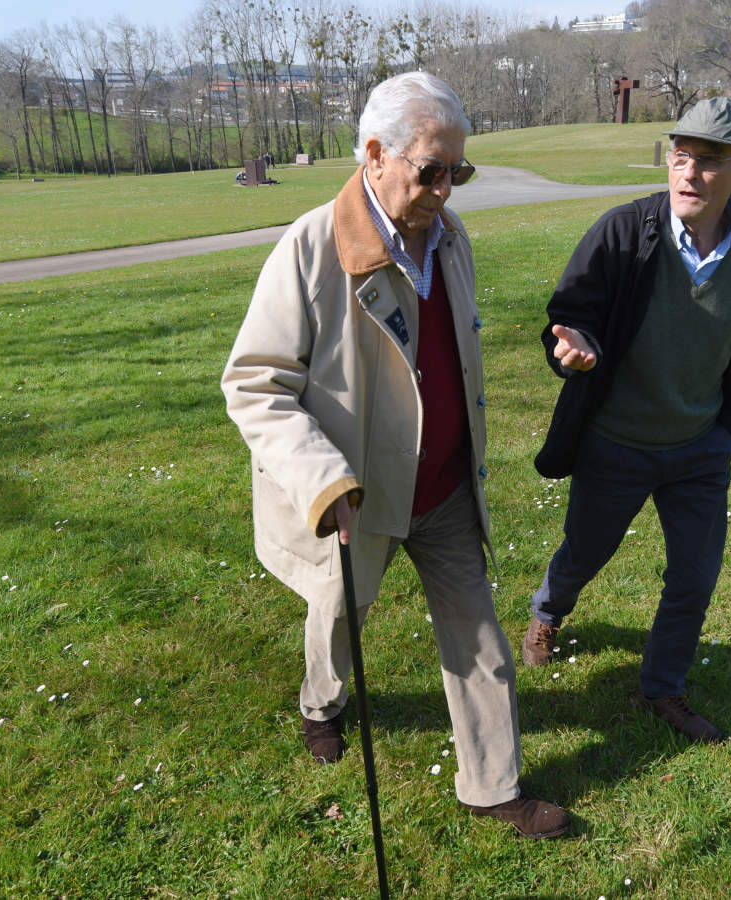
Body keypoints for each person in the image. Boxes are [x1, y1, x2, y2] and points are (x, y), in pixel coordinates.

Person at [221, 71, 570, 839]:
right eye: (432, 170)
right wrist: (321, 480)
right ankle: (322, 704)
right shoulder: (312, 247)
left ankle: (492, 786)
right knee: (340, 618)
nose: (448, 188)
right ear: (375, 155)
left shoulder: (452, 238)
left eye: (460, 172)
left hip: (441, 488)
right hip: (358, 496)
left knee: (481, 637)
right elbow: (254, 383)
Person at [521, 97, 731, 744]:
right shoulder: (623, 231)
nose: (688, 174)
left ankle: (662, 687)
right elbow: (571, 311)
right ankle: (548, 612)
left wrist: (727, 431)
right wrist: (574, 348)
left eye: (709, 161)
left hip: (700, 446)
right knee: (584, 553)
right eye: (679, 156)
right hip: (615, 443)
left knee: (695, 578)